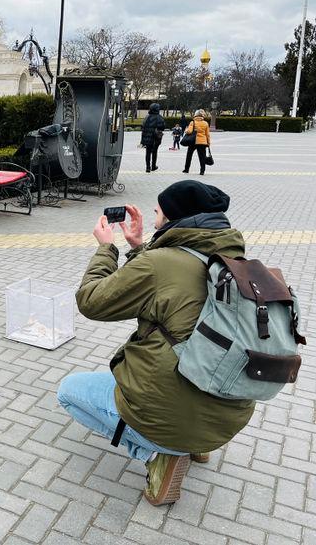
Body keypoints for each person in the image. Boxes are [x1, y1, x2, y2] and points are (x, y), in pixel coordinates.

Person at [56, 180, 254, 505]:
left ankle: (158, 453)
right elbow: (168, 288)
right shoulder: (233, 261)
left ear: (176, 219)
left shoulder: (160, 263)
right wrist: (139, 246)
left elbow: (91, 301)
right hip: (228, 412)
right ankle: (196, 446)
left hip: (172, 411)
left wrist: (107, 248)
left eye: (159, 211)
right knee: (195, 350)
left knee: (68, 391)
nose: (154, 215)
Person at [183, 109, 211, 175]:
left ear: (195, 115)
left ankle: (186, 169)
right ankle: (202, 171)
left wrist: (186, 130)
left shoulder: (193, 122)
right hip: (202, 142)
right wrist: (208, 143)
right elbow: (208, 135)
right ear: (202, 115)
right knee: (202, 157)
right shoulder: (205, 123)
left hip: (193, 141)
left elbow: (189, 131)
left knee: (189, 156)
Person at [140, 103, 165, 172]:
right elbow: (162, 127)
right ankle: (153, 166)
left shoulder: (147, 117)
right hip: (156, 138)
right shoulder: (159, 117)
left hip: (147, 138)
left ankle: (148, 167)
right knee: (155, 151)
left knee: (148, 152)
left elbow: (142, 126)